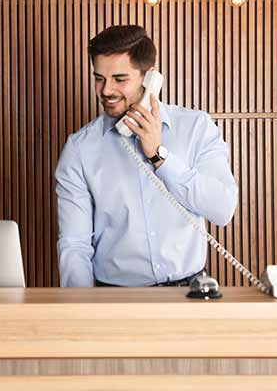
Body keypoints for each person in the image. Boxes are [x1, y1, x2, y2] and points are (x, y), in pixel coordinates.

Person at [55, 25, 239, 287]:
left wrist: (159, 157)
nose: (106, 90)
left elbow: (222, 209)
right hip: (116, 299)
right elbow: (75, 245)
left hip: (188, 293)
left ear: (150, 78)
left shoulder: (196, 128)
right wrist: (82, 315)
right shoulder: (79, 150)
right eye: (99, 78)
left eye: (120, 79)